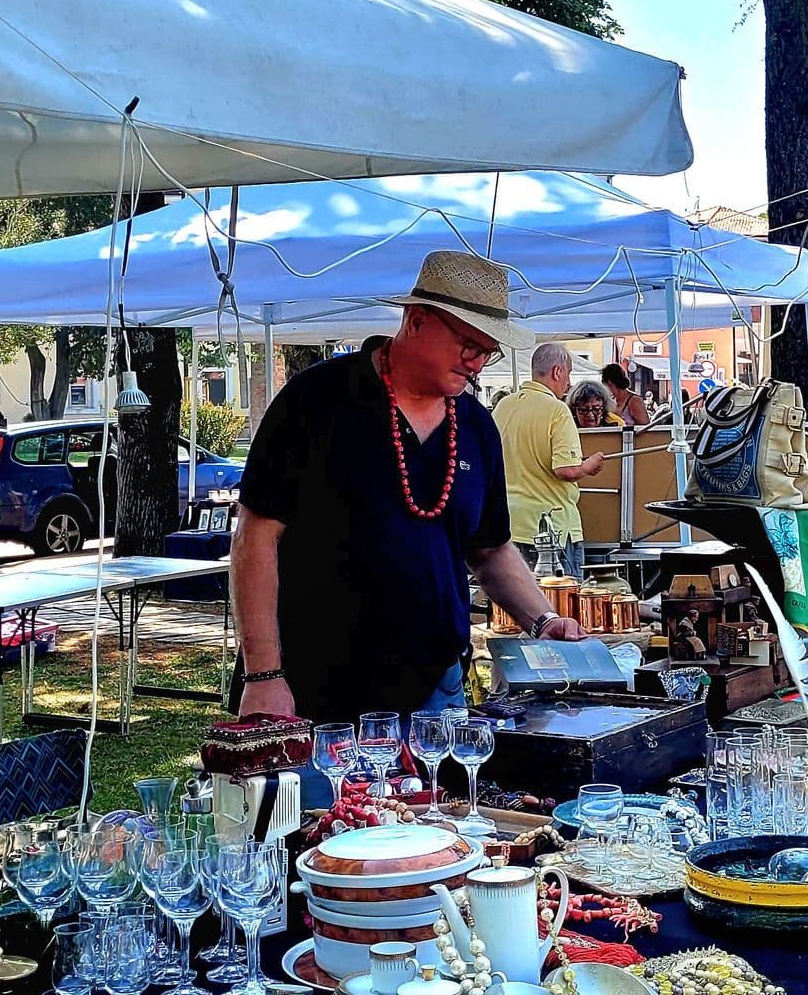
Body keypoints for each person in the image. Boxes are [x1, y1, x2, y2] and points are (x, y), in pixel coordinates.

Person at [231, 250, 584, 733]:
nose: (477, 362)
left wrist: (542, 619)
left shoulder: (476, 426)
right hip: (312, 690)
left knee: (441, 788)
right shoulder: (316, 401)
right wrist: (263, 674)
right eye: (468, 344)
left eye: (488, 351)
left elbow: (490, 548)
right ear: (416, 320)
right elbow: (255, 536)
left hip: (436, 689)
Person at [492, 341, 605, 577]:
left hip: (509, 524)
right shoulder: (557, 410)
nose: (569, 382)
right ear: (557, 372)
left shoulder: (503, 406)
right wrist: (588, 465)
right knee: (562, 598)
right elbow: (566, 470)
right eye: (568, 374)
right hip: (552, 528)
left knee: (515, 599)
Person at [601, 363, 653, 428]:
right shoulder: (612, 400)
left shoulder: (634, 401)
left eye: (606, 385)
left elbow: (645, 428)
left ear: (610, 382)